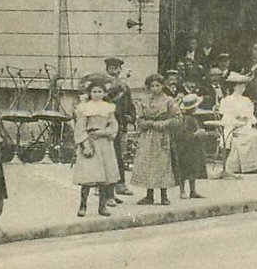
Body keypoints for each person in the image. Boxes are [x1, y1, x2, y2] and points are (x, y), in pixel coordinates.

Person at [72, 77, 120, 218]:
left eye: (100, 91)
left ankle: (102, 206)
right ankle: (83, 206)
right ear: (89, 93)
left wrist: (104, 132)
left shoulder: (108, 108)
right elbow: (80, 128)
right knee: (88, 177)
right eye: (94, 91)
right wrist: (85, 143)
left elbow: (113, 125)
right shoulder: (84, 108)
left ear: (104, 93)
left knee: (104, 178)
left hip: (104, 143)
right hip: (90, 142)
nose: (97, 94)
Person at [131, 74, 181, 206]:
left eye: (157, 85)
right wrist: (147, 123)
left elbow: (178, 119)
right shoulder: (145, 101)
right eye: (152, 86)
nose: (155, 88)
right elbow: (139, 118)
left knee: (162, 163)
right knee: (149, 164)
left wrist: (164, 124)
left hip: (163, 136)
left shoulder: (169, 101)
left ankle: (164, 195)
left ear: (163, 86)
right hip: (148, 136)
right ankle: (149, 195)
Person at [219, 72, 257, 174]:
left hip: (245, 126)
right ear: (235, 87)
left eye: (244, 86)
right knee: (250, 138)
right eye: (240, 86)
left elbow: (251, 115)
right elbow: (226, 116)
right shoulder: (227, 100)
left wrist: (246, 118)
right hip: (233, 127)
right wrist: (236, 120)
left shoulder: (246, 100)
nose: (243, 88)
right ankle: (246, 167)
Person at [103, 56, 135, 196]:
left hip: (120, 123)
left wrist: (131, 117)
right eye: (111, 68)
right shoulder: (102, 86)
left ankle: (120, 184)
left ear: (120, 70)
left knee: (119, 155)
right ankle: (103, 186)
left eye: (116, 68)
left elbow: (130, 104)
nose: (114, 71)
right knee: (105, 154)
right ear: (107, 70)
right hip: (105, 124)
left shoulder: (124, 87)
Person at [173, 94, 208, 200]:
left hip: (193, 146)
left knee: (193, 168)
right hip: (185, 147)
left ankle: (192, 191)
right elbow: (182, 134)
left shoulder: (192, 118)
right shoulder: (186, 120)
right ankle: (183, 191)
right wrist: (196, 134)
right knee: (184, 168)